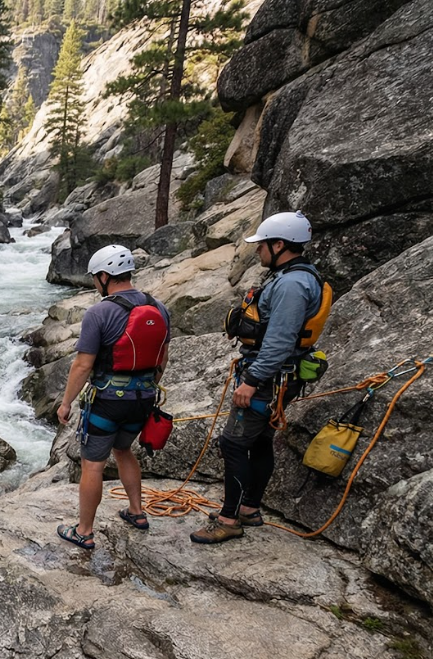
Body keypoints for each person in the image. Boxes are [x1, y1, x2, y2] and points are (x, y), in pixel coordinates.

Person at [193, 211, 331, 544]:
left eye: (263, 245)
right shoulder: (294, 276)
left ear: (280, 245)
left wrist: (252, 380)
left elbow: (280, 340)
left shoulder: (292, 284)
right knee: (258, 441)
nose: (258, 252)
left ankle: (229, 519)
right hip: (279, 376)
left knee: (234, 443)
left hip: (269, 378)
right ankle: (249, 509)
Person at [56, 245, 171, 551]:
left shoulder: (99, 312)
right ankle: (136, 512)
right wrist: (147, 388)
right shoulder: (159, 308)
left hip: (108, 400)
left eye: (96, 278)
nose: (95, 283)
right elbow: (162, 358)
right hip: (144, 398)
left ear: (105, 276)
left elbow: (83, 364)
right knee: (123, 449)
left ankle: (84, 531)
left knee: (92, 465)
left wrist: (66, 402)